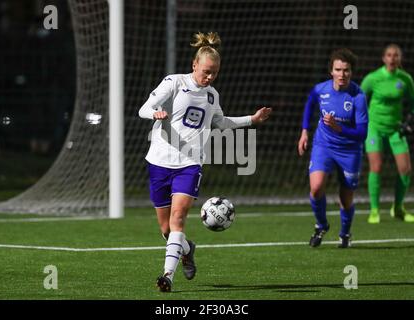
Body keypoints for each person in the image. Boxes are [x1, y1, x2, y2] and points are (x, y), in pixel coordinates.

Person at [138, 31, 272, 292]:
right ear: (194, 65)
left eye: (215, 73)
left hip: (190, 164)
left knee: (178, 219)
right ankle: (187, 249)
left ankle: (167, 276)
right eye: (206, 71)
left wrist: (252, 120)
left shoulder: (212, 95)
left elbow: (220, 122)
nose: (210, 77)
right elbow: (143, 108)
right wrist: (156, 113)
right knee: (166, 230)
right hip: (159, 161)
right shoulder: (174, 82)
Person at [298, 48, 368, 248]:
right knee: (316, 187)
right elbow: (310, 104)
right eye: (338, 69)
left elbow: (362, 133)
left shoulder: (358, 96)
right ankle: (321, 225)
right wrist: (304, 131)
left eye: (346, 70)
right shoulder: (320, 90)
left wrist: (340, 128)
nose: (342, 74)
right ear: (331, 71)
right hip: (324, 145)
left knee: (346, 199)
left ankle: (345, 234)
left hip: (350, 150)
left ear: (351, 72)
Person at [361, 44, 414, 224]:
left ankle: (398, 208)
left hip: (396, 130)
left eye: (396, 56)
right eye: (389, 55)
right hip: (374, 127)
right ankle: (374, 210)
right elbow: (359, 98)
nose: (392, 58)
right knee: (376, 167)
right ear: (384, 58)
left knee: (405, 169)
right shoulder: (373, 78)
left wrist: (408, 122)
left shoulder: (405, 79)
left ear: (400, 59)